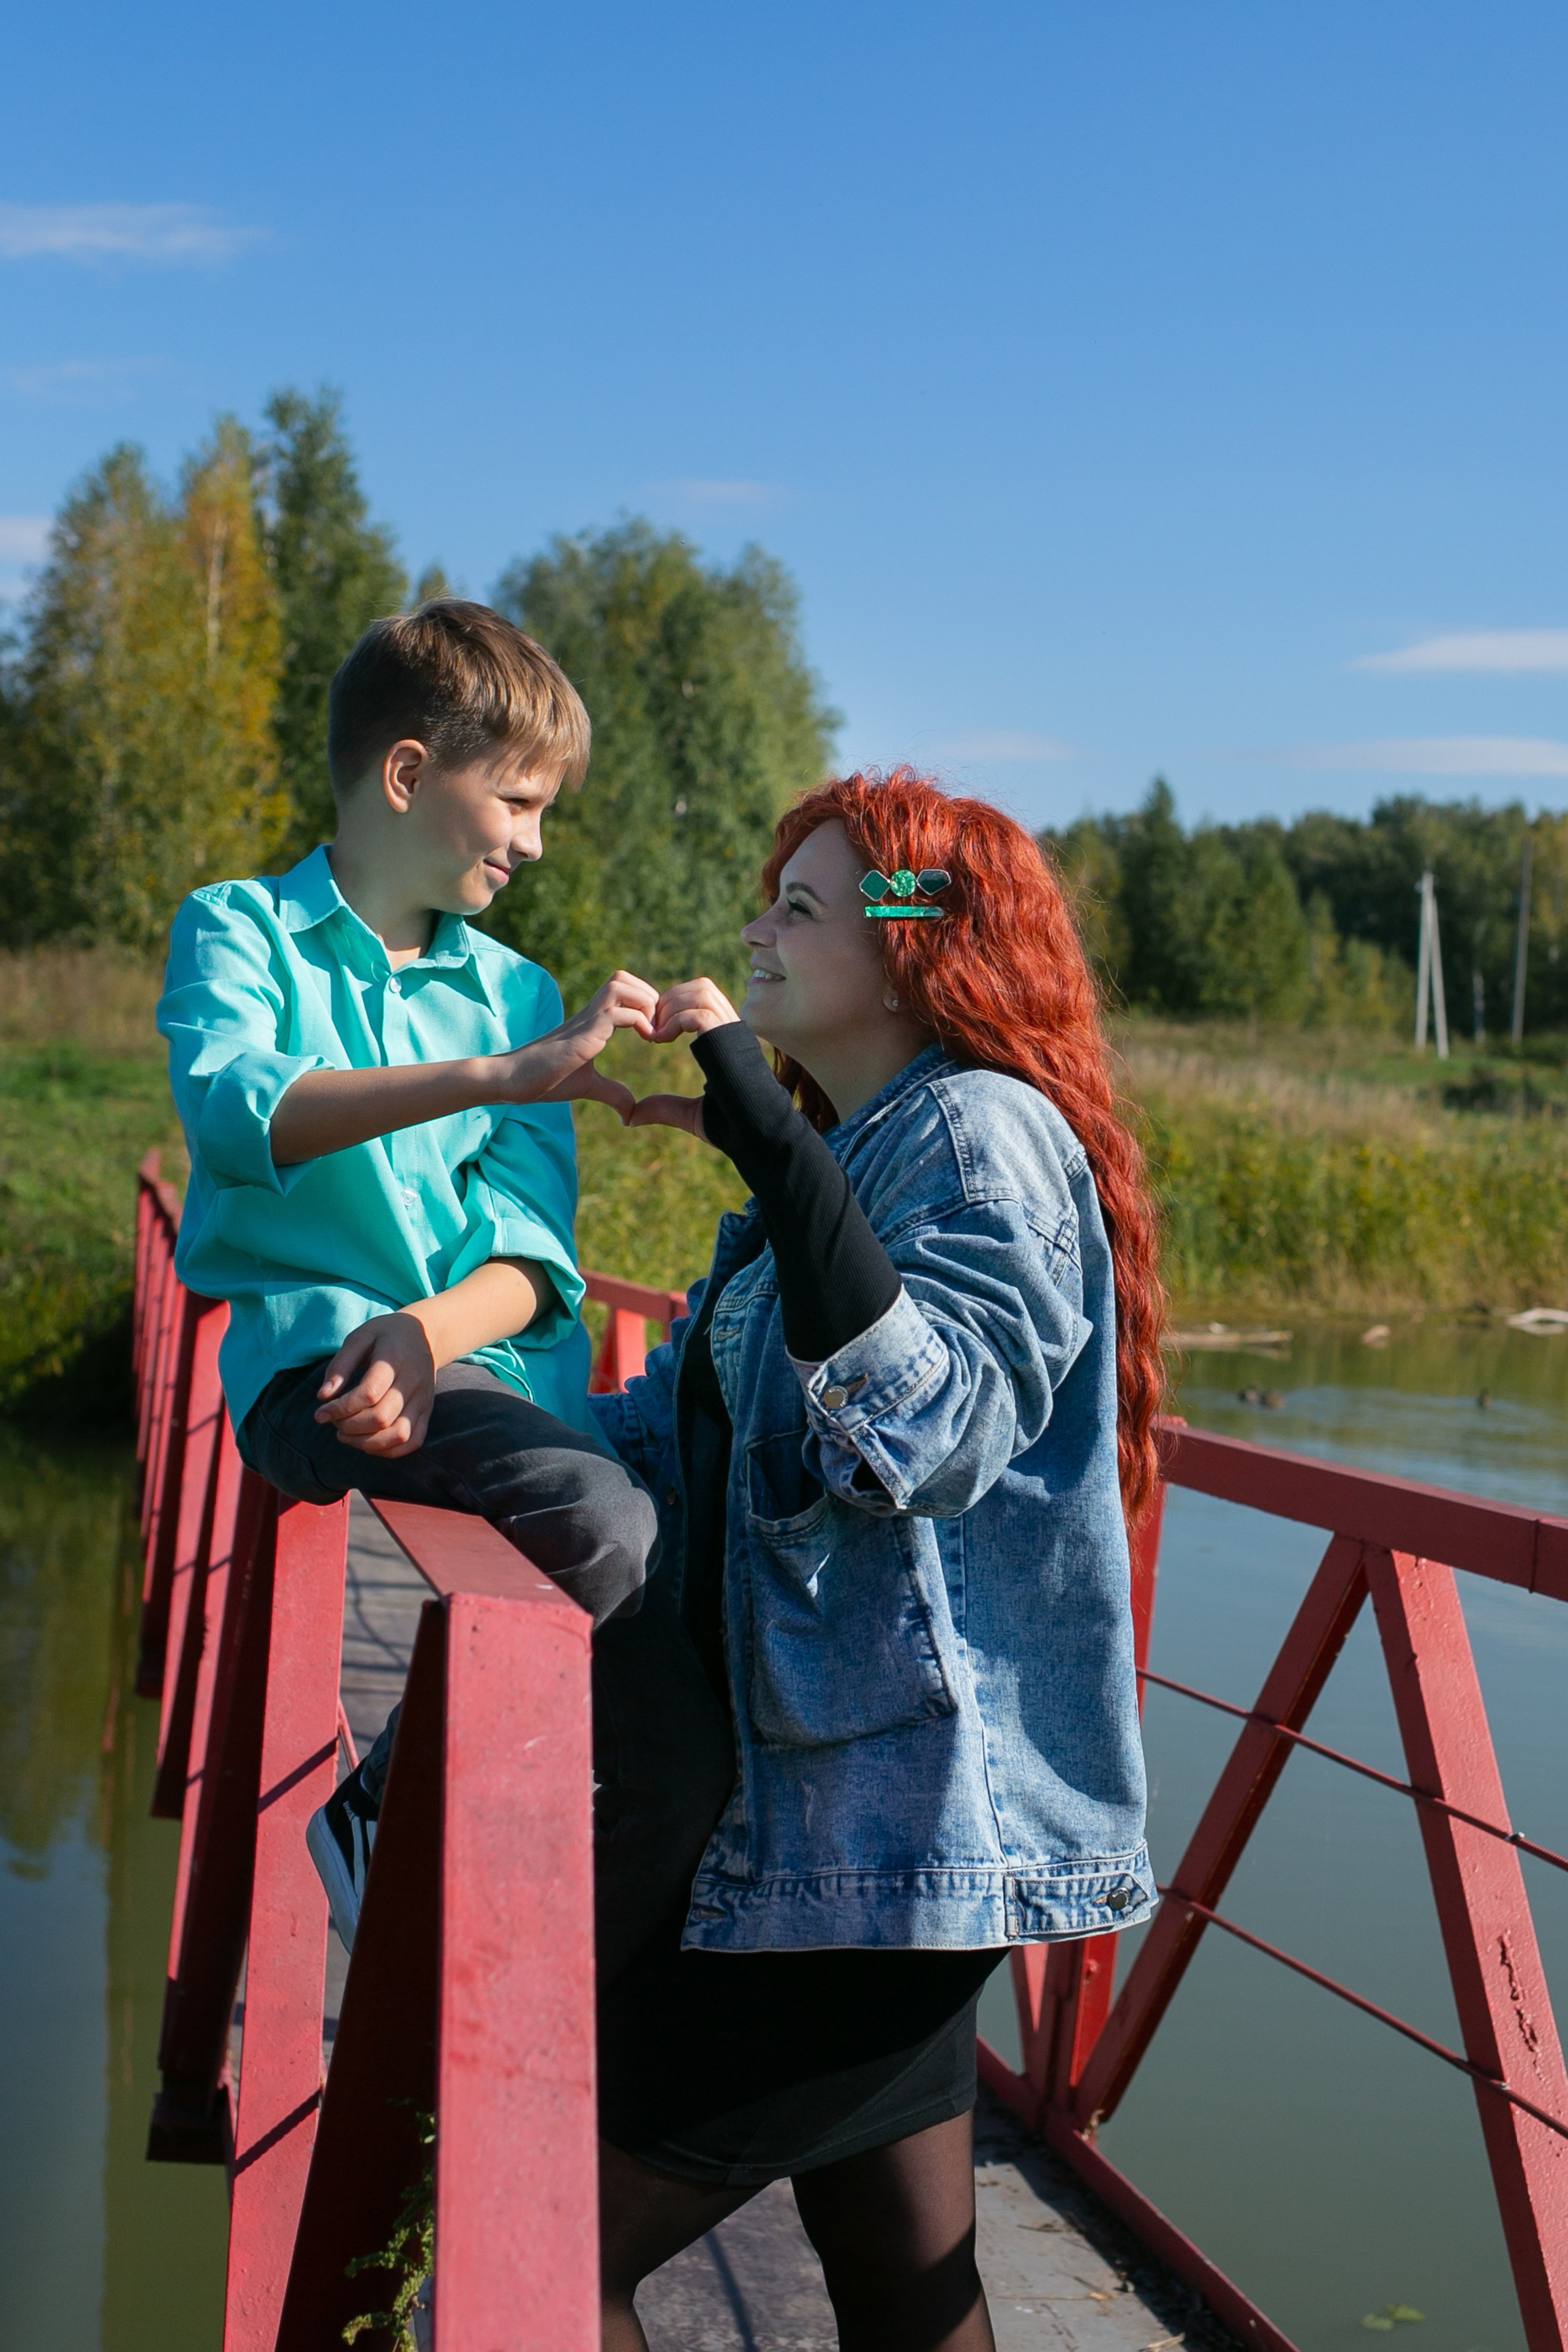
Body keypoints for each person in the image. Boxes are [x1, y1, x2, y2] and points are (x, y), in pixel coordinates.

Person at [589, 767, 1166, 2352]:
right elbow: (683, 1448)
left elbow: (934, 1435)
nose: (759, 931)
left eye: (803, 905)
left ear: (920, 945)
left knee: (555, 2249)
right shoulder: (850, 1146)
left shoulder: (978, 1141)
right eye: (769, 893)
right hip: (848, 1834)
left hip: (881, 1843)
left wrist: (766, 1135)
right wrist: (451, 1384)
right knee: (911, 2291)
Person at [156, 598, 731, 1970]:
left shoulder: (520, 990)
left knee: (694, 1589)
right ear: (410, 776)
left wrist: (423, 1336)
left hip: (464, 1372)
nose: (534, 842)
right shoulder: (238, 929)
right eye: (518, 802)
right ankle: (380, 1829)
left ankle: (629, 1970)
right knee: (604, 1519)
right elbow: (246, 1111)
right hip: (316, 1376)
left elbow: (535, 1256)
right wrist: (491, 1080)